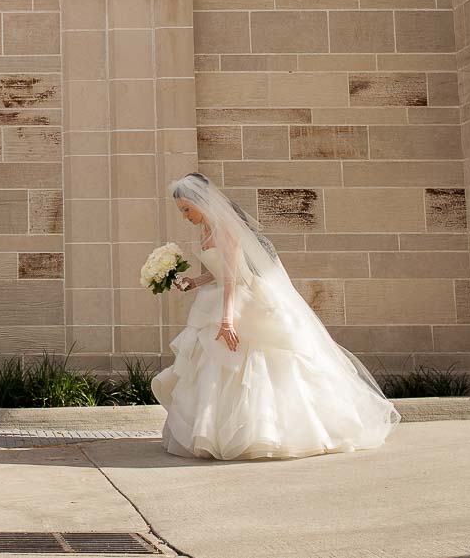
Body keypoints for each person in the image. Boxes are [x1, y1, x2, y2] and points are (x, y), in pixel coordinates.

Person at [152, 172, 400, 460]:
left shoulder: (224, 229)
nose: (184, 216)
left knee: (258, 361)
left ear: (200, 201)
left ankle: (272, 432)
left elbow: (233, 277)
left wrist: (227, 320)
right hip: (220, 296)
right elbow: (219, 270)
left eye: (186, 209)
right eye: (181, 211)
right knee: (214, 367)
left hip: (243, 300)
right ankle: (217, 433)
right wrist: (194, 282)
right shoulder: (206, 231)